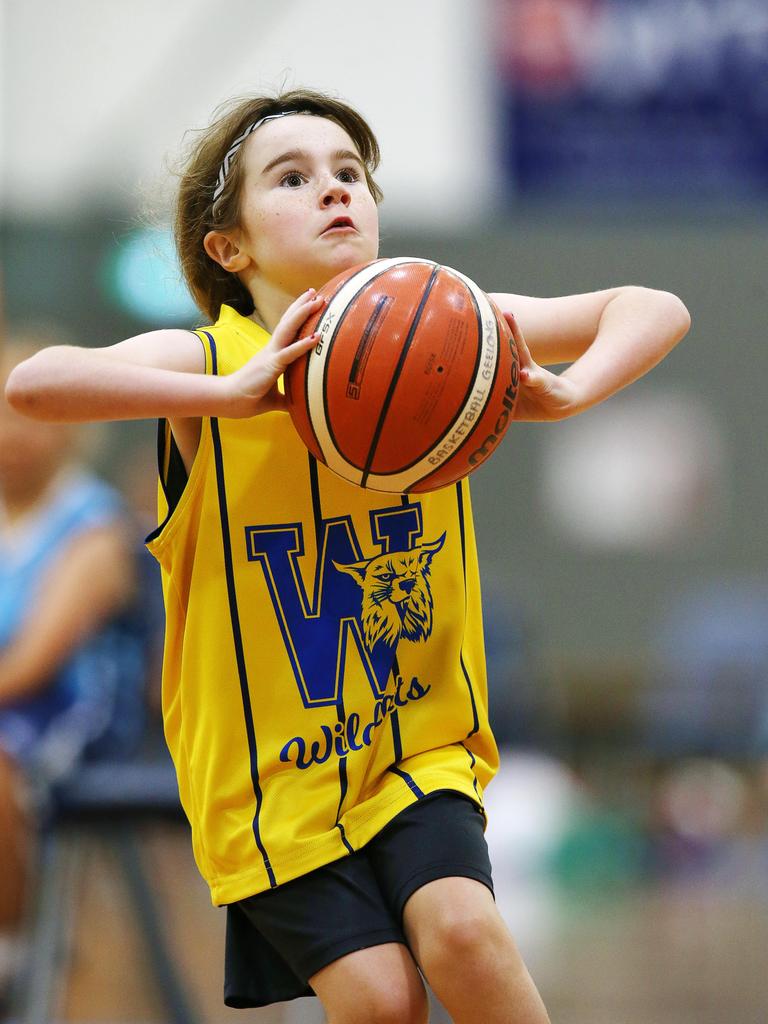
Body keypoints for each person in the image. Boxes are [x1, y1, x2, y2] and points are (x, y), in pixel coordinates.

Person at [5, 89, 690, 1024]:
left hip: (417, 745)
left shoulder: (453, 328)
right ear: (228, 246)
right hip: (267, 778)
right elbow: (33, 386)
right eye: (292, 178)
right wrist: (235, 392)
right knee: (377, 1000)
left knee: (465, 933)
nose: (333, 191)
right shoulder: (209, 362)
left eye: (350, 174)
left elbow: (652, 306)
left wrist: (570, 394)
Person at [0, 340, 141, 991]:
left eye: (26, 414)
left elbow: (29, 665)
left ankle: (12, 950)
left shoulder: (93, 525)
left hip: (70, 715)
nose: (10, 434)